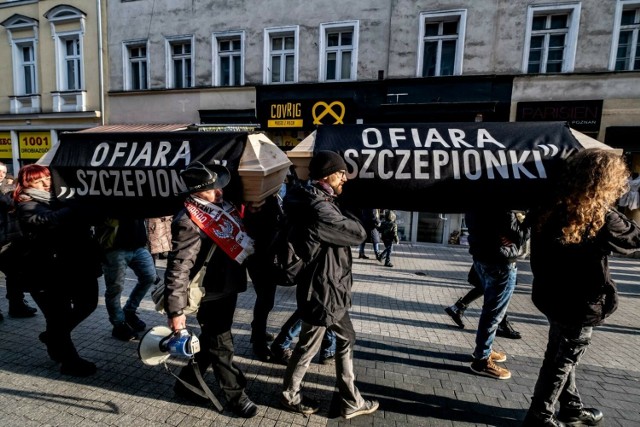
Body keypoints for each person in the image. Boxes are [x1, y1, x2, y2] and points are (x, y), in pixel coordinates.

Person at [523, 149, 640, 427]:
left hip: (551, 296)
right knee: (560, 360)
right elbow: (634, 238)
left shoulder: (549, 205)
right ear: (606, 182)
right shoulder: (600, 216)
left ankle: (572, 407)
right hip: (580, 303)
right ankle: (539, 416)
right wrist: (607, 206)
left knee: (561, 352)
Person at [280, 150, 379, 419]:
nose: (345, 178)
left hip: (322, 286)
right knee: (332, 341)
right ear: (328, 175)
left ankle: (295, 393)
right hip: (324, 289)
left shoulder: (311, 196)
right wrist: (356, 211)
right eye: (341, 173)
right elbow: (358, 234)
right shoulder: (319, 208)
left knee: (314, 342)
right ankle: (349, 401)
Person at [163, 161, 259, 418]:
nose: (220, 193)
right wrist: (175, 312)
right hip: (208, 292)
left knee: (211, 341)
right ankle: (236, 396)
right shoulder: (189, 220)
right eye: (212, 189)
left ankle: (186, 383)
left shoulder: (221, 208)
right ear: (196, 192)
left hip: (227, 287)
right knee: (221, 344)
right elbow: (179, 266)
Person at [14, 164, 101, 377]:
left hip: (75, 266)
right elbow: (46, 220)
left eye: (48, 179)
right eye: (38, 181)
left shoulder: (61, 198)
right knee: (57, 316)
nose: (46, 184)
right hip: (45, 272)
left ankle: (53, 337)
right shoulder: (27, 204)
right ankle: (69, 361)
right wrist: (76, 205)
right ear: (27, 184)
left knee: (88, 303)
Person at [465, 209, 529, 380]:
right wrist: (528, 221)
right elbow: (520, 237)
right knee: (494, 313)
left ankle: (483, 350)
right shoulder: (504, 207)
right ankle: (482, 360)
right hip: (500, 262)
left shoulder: (475, 197)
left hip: (482, 257)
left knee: (490, 309)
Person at [97, 217, 157, 341]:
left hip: (139, 245)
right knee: (115, 288)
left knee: (150, 276)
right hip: (114, 247)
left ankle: (129, 311)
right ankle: (119, 324)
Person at [0, 161, 37, 319]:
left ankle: (17, 305)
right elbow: (7, 202)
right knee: (13, 275)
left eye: (4, 171)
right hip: (6, 239)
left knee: (14, 275)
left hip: (10, 239)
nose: (1, 174)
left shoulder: (9, 189)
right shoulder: (7, 191)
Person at [444, 264, 522, 339]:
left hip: (489, 259)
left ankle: (457, 308)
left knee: (486, 287)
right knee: (497, 288)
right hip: (498, 261)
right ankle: (500, 324)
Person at [147, 215, 173, 280]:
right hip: (156, 224)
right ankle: (153, 275)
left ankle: (153, 275)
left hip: (165, 224)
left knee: (171, 251)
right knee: (152, 251)